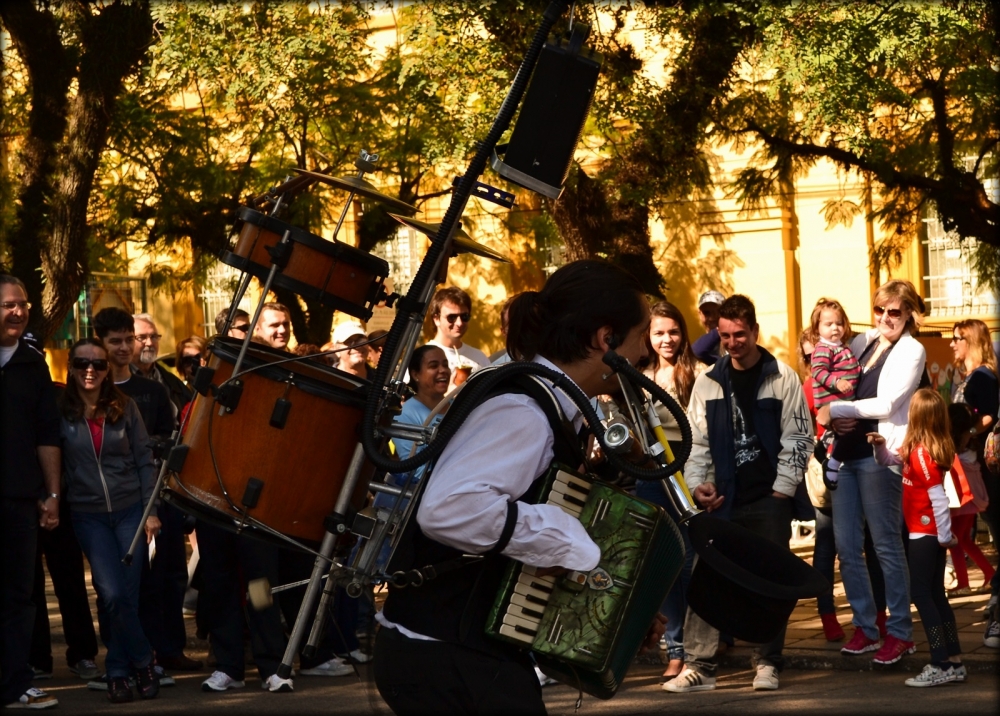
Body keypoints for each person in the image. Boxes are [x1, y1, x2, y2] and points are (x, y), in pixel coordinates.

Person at [373, 260, 665, 714]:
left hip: (463, 652)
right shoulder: (524, 411)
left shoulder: (546, 402)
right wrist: (572, 544)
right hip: (445, 653)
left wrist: (616, 609)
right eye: (641, 335)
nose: (645, 353)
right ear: (604, 339)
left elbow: (515, 548)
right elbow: (450, 510)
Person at [664, 294, 812, 694]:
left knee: (769, 585)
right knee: (706, 579)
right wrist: (698, 485)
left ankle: (767, 662)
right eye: (725, 335)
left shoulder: (782, 376)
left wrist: (783, 487)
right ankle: (699, 667)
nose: (732, 342)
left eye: (739, 334)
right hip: (722, 499)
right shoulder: (708, 381)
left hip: (767, 499)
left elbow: (799, 435)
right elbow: (696, 442)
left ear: (754, 331)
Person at [817, 279, 926, 665]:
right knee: (846, 548)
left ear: (910, 312)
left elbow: (888, 403)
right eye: (879, 309)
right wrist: (826, 412)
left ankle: (900, 632)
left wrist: (836, 412)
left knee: (885, 546)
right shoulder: (862, 341)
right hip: (845, 454)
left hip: (879, 455)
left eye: (894, 311)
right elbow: (829, 378)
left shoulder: (914, 349)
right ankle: (866, 625)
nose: (885, 318)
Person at [93, 308, 199, 676]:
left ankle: (169, 650)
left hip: (156, 495)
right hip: (109, 502)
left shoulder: (154, 389)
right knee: (120, 584)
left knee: (168, 576)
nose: (125, 348)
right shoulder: (91, 389)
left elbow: (167, 444)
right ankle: (130, 656)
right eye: (117, 341)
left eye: (129, 339)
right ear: (101, 343)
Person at [59, 338, 161, 703]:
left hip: (131, 509)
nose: (91, 370)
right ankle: (143, 660)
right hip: (89, 516)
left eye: (98, 365)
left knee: (126, 597)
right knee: (112, 593)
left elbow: (145, 461)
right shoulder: (60, 411)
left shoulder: (126, 407)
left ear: (106, 370)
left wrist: (150, 511)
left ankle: (117, 671)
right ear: (70, 367)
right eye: (83, 363)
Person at [869, 388, 966, 687]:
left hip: (925, 533)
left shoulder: (923, 453)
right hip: (928, 532)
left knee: (922, 595)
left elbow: (938, 497)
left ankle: (940, 662)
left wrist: (944, 537)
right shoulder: (918, 448)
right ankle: (955, 662)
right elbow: (887, 460)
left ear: (918, 416)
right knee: (936, 594)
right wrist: (880, 446)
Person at [1, 275, 61, 710]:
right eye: (8, 304)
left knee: (19, 595)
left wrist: (52, 494)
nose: (17, 312)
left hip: (20, 501)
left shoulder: (33, 364)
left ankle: (16, 680)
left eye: (22, 304)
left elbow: (47, 435)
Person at [638, 301, 703, 681]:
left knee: (692, 564)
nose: (667, 339)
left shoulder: (699, 373)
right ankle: (675, 649)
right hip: (650, 473)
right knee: (665, 564)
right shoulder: (636, 376)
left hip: (688, 471)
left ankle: (698, 647)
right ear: (648, 336)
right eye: (659, 332)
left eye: (673, 331)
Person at [949, 319, 999, 593]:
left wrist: (967, 433)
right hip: (966, 461)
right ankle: (975, 579)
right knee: (960, 531)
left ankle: (989, 578)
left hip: (975, 463)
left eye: (957, 338)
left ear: (972, 341)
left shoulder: (982, 376)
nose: (952, 343)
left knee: (968, 527)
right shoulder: (972, 375)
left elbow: (990, 414)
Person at [808, 299, 860, 489]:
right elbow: (819, 372)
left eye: (838, 323)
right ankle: (833, 464)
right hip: (834, 400)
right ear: (817, 328)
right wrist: (837, 382)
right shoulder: (823, 348)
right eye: (828, 324)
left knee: (845, 435)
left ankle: (825, 448)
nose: (835, 328)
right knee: (850, 433)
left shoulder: (842, 347)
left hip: (843, 400)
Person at [944, 403, 993, 597]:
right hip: (971, 499)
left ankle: (963, 582)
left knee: (956, 539)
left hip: (960, 500)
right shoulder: (972, 446)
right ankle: (989, 573)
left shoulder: (955, 451)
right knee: (963, 539)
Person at [427, 286, 490, 390]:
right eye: (451, 317)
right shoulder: (423, 357)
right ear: (436, 319)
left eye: (464, 316)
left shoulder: (480, 358)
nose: (459, 323)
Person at [131, 313, 191, 416]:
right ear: (128, 341)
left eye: (153, 337)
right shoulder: (116, 382)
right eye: (142, 337)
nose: (149, 343)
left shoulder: (173, 384)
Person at [691, 290, 725, 366]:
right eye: (706, 313)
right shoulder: (703, 342)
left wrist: (720, 329)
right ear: (699, 314)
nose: (712, 318)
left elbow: (697, 351)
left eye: (717, 312)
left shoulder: (731, 343)